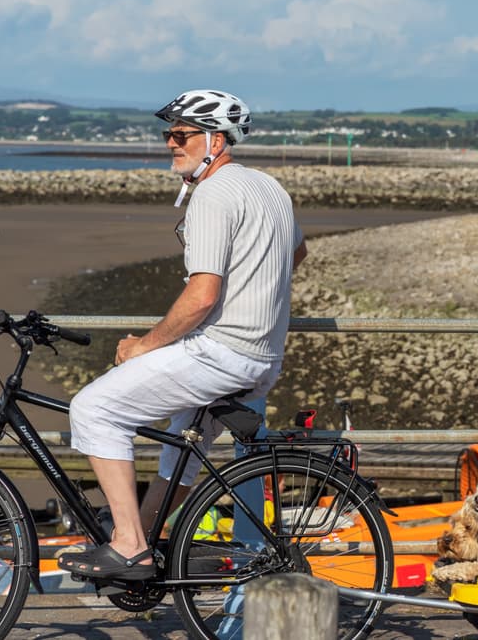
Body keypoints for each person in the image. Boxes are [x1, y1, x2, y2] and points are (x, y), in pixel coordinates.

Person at [58, 89, 307, 580]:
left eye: (182, 134)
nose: (171, 143)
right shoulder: (270, 188)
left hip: (221, 353)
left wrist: (142, 346)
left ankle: (129, 545)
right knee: (181, 446)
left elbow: (202, 296)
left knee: (94, 408)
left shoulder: (214, 194)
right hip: (262, 358)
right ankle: (148, 540)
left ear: (216, 140)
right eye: (168, 134)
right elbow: (296, 255)